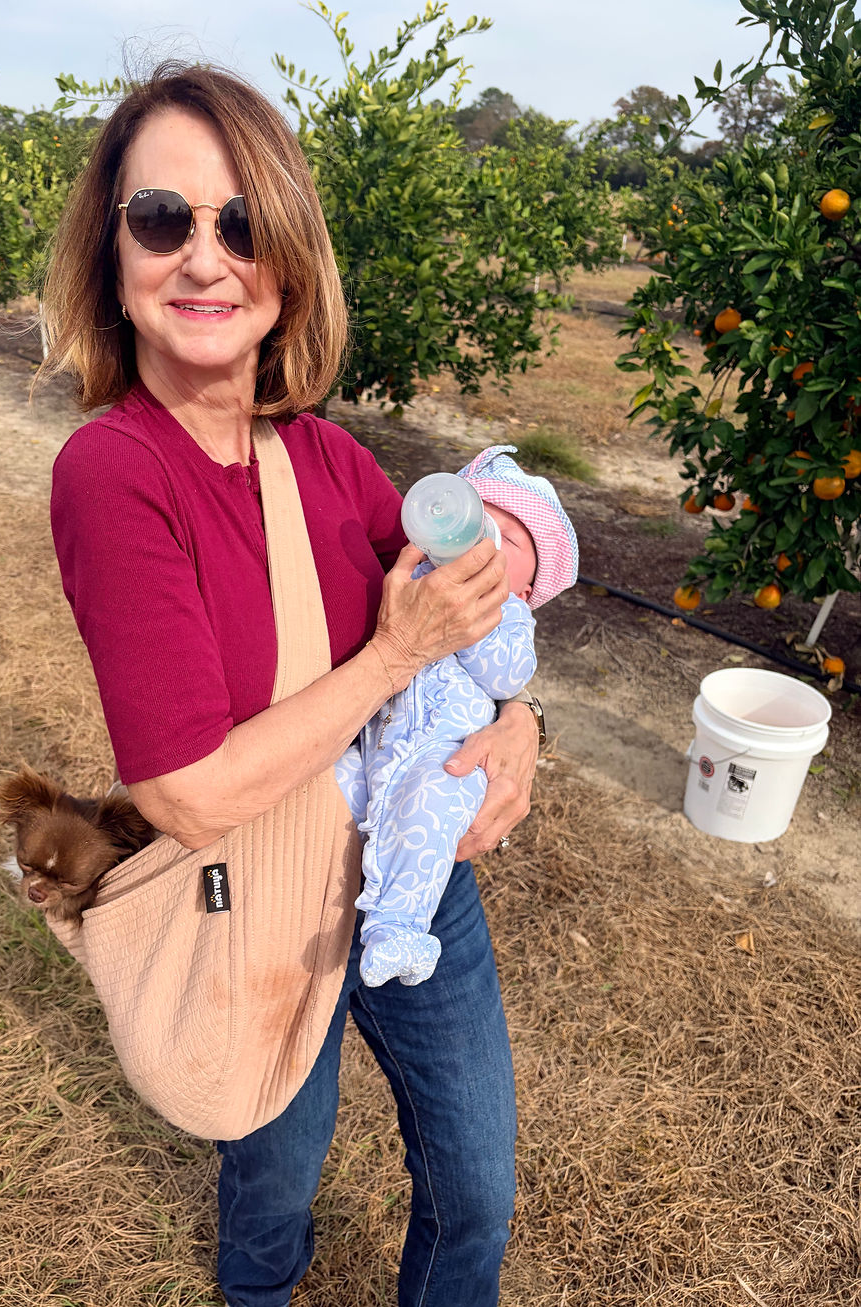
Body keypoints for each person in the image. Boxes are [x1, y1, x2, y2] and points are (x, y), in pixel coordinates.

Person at [41, 62, 543, 1307]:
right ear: (111, 250)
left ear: (288, 259)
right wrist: (391, 656)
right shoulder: (116, 472)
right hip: (263, 889)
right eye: (163, 218)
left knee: (478, 1183)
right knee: (272, 1179)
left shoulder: (323, 455)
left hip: (411, 875)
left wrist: (523, 718)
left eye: (243, 222)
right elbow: (188, 792)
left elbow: (462, 618)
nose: (204, 258)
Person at [337, 447, 578, 987]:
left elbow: (507, 678)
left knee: (428, 812)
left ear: (526, 589)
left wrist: (473, 615)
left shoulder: (511, 614)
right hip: (374, 749)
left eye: (510, 539)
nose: (485, 537)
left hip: (444, 756)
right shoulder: (408, 578)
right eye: (480, 518)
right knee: (326, 796)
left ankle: (398, 929)